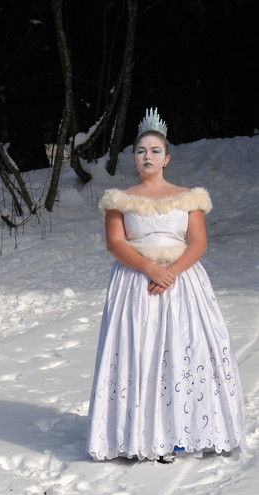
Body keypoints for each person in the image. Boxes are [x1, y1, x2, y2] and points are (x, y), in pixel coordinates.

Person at [87, 108, 246, 462]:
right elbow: (115, 243)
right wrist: (149, 269)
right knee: (139, 352)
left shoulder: (189, 197)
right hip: (135, 284)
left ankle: (181, 431)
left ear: (167, 158)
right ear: (133, 158)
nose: (148, 156)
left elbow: (198, 242)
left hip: (182, 284)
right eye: (142, 151)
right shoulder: (119, 200)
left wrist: (170, 272)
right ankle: (139, 433)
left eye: (155, 151)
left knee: (183, 350)